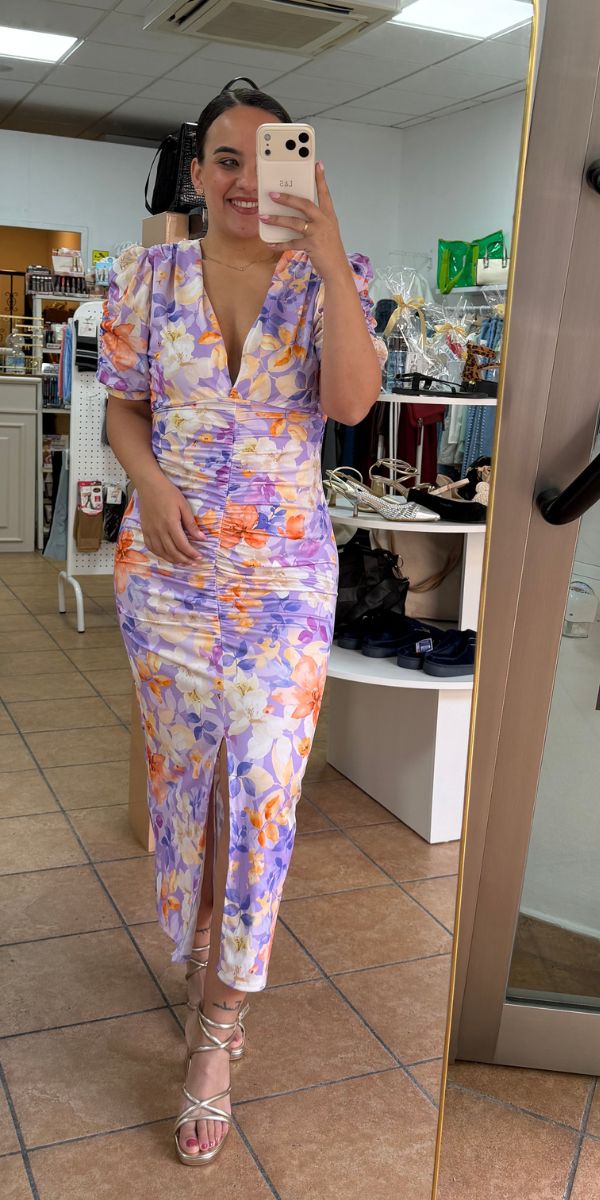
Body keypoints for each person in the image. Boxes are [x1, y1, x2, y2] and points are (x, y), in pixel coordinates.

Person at [97, 81, 386, 1167]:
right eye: (226, 158)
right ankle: (199, 944)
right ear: (199, 170)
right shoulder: (147, 276)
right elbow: (124, 408)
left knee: (262, 791)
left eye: (270, 160)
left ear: (301, 171)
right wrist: (150, 484)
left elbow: (351, 405)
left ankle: (219, 1031)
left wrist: (330, 245)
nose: (245, 181)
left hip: (282, 585)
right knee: (188, 784)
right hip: (168, 576)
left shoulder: (328, 279)